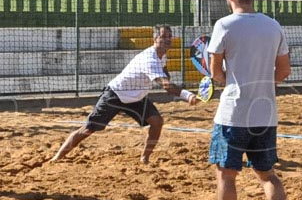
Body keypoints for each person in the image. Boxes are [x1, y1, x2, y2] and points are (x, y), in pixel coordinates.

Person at [207, 0, 294, 200]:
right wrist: (261, 82)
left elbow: (215, 72)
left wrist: (228, 80)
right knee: (267, 174)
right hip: (265, 114)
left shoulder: (225, 25)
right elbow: (283, 71)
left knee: (226, 175)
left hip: (233, 113)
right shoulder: (273, 26)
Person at [52, 24, 199, 164]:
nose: (168, 39)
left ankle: (144, 158)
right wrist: (187, 95)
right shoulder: (150, 59)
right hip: (116, 94)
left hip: (137, 97)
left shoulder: (162, 55)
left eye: (170, 36)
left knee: (157, 122)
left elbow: (164, 71)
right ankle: (57, 158)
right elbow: (166, 85)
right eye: (163, 36)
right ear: (155, 39)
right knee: (88, 129)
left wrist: (170, 81)